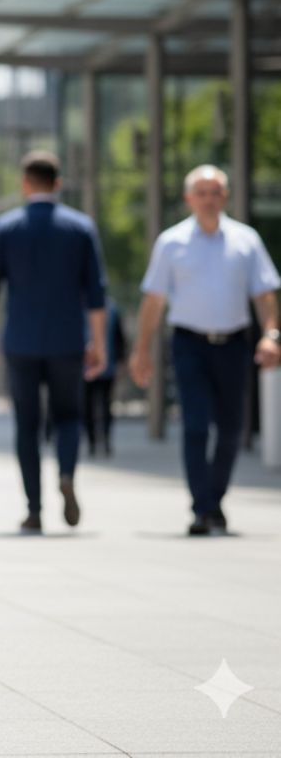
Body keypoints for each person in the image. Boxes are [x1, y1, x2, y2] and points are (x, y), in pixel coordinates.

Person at [129, 165, 280, 536]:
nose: (209, 199)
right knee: (196, 425)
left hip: (233, 344)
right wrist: (141, 350)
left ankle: (215, 499)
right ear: (189, 199)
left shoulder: (246, 240)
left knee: (230, 428)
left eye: (216, 192)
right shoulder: (172, 242)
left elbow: (264, 294)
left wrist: (271, 334)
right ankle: (201, 507)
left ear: (225, 197)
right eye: (202, 192)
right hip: (189, 344)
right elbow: (153, 301)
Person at [0, 152, 108, 535]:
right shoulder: (81, 228)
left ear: (25, 183)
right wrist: (98, 342)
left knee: (27, 426)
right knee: (68, 418)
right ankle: (66, 473)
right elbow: (96, 294)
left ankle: (33, 510)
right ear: (58, 183)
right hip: (67, 340)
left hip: (21, 341)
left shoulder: (7, 227)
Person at [84, 296, 126, 457]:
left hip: (105, 365)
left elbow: (118, 337)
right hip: (87, 366)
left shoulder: (112, 309)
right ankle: (93, 441)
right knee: (89, 405)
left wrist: (120, 361)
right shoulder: (82, 307)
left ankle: (104, 441)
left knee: (104, 404)